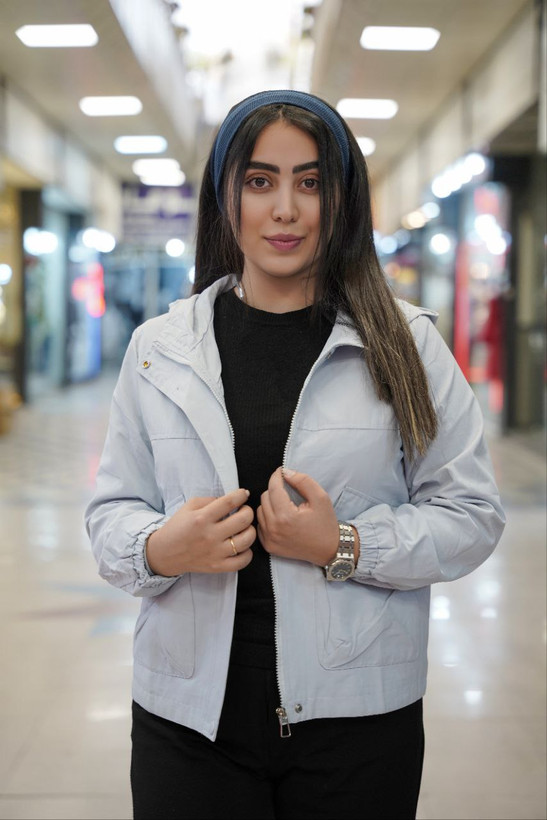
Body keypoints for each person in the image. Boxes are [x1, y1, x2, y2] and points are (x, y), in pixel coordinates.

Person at [85, 89, 505, 820]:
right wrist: (159, 548)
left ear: (342, 200)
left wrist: (344, 544)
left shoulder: (405, 344)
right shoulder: (159, 349)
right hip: (187, 720)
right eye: (260, 181)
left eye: (310, 183)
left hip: (358, 722)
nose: (285, 209)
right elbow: (110, 511)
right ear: (225, 196)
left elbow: (471, 513)